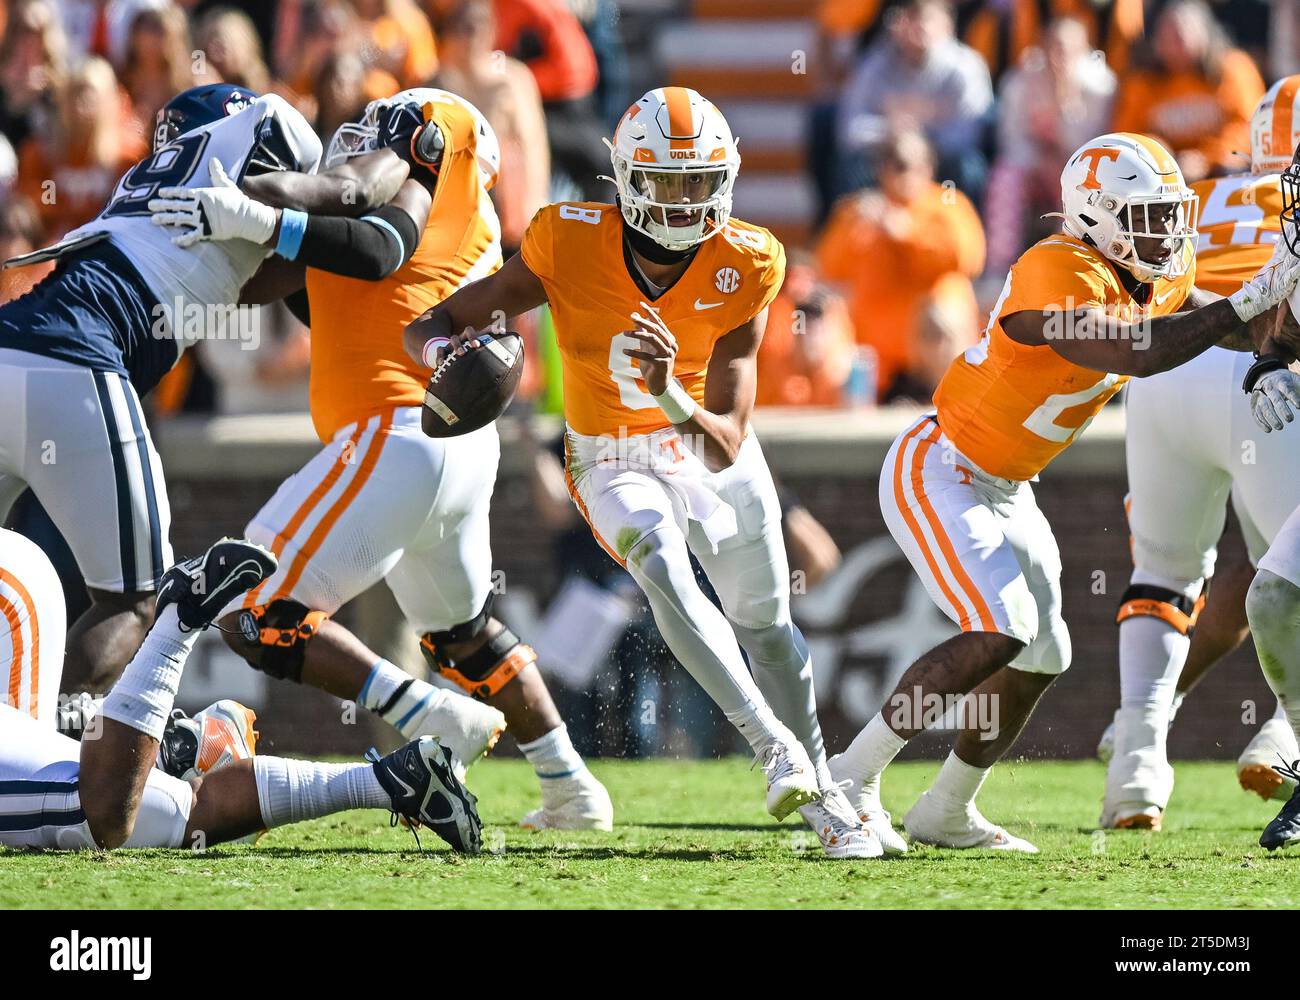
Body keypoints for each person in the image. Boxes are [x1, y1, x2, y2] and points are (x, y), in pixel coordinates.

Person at [404, 86, 883, 859]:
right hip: (611, 456)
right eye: (666, 181)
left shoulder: (748, 259)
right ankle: (775, 753)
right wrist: (444, 365)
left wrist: (666, 389)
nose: (686, 198)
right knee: (659, 561)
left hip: (699, 446)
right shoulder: (568, 240)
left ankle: (827, 789)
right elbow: (437, 320)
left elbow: (725, 441)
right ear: (627, 180)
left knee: (771, 636)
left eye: (699, 180)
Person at [151, 87, 612, 830]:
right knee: (464, 636)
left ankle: (430, 714)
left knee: (250, 605)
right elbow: (299, 278)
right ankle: (572, 787)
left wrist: (250, 209)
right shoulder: (435, 229)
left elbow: (365, 234)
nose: (377, 136)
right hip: (452, 452)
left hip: (396, 436)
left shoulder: (425, 176)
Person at [829, 130, 1300, 852]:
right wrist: (1246, 302)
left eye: (1173, 213)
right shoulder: (1056, 268)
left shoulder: (1158, 274)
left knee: (1042, 653)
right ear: (1096, 216)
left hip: (1010, 485)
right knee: (1000, 627)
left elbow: (1239, 330)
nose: (1168, 232)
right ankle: (849, 782)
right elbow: (1137, 350)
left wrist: (1282, 318)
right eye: (1147, 216)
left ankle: (946, 808)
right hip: (943, 465)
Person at [0, 82, 398, 694]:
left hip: (15, 347)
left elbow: (275, 277)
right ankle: (21, 745)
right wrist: (396, 171)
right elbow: (342, 202)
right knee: (134, 604)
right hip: (74, 358)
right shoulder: (250, 156)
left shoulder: (147, 192)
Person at [0, 532, 483, 854]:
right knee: (165, 815)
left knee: (97, 811)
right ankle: (390, 782)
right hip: (16, 570)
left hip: (12, 588)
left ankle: (179, 623)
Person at [1099, 77, 1300, 829]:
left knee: (1164, 574)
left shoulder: (1202, 192)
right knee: (1288, 578)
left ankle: (1137, 766)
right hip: (1267, 375)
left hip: (1168, 373)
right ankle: (1287, 737)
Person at [816, 128, 985, 393]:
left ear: (928, 166)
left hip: (938, 363)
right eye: (893, 165)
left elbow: (968, 259)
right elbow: (828, 268)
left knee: (944, 314)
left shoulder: (947, 204)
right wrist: (854, 226)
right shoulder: (861, 210)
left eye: (907, 165)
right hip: (880, 365)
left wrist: (906, 231)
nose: (901, 175)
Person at [835, 0, 993, 202]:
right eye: (912, 17)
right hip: (890, 154)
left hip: (943, 157)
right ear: (896, 24)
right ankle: (854, 229)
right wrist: (891, 131)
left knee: (969, 165)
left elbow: (969, 133)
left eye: (928, 18)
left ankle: (964, 228)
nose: (921, 27)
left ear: (948, 25)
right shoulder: (875, 65)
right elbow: (850, 130)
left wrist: (919, 139)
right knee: (853, 164)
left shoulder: (965, 68)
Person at [1110, 0, 1264, 184]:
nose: (1173, 47)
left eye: (1180, 38)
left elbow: (1249, 126)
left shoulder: (1233, 69)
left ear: (1202, 34)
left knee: (1231, 168)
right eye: (1165, 39)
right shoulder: (1143, 82)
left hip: (1220, 173)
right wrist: (1158, 152)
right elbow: (1126, 135)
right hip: (1163, 175)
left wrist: (1205, 158)